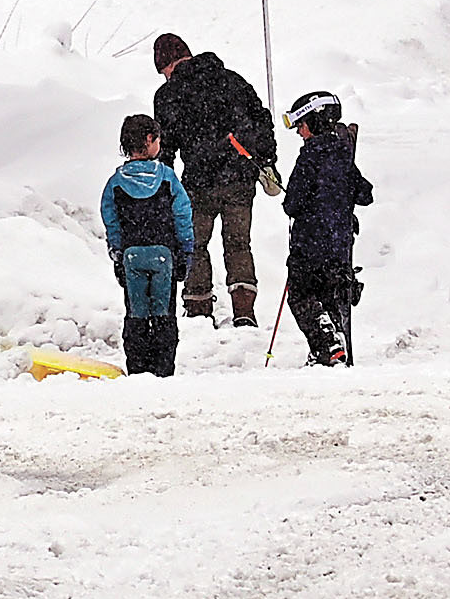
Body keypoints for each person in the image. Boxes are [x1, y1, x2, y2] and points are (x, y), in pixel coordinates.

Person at [151, 31, 277, 325]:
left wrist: (163, 183)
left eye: (163, 71)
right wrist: (267, 160)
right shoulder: (232, 80)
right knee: (238, 245)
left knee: (195, 244)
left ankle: (198, 308)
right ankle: (244, 312)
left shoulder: (169, 95)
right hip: (239, 179)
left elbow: (165, 144)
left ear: (167, 64)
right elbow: (261, 120)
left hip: (198, 182)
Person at [281, 90, 373, 367]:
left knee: (300, 296)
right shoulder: (342, 156)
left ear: (315, 122)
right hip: (339, 245)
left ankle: (327, 342)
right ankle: (332, 350)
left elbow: (292, 203)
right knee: (330, 296)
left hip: (309, 243)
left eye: (301, 125)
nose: (299, 132)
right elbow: (365, 194)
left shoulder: (309, 157)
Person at [100, 113, 195, 377]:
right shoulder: (167, 178)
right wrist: (186, 250)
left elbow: (112, 221)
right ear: (150, 139)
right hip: (164, 255)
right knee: (164, 313)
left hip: (132, 256)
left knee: (137, 313)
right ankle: (164, 369)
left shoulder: (115, 183)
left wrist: (117, 253)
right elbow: (183, 214)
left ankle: (139, 368)